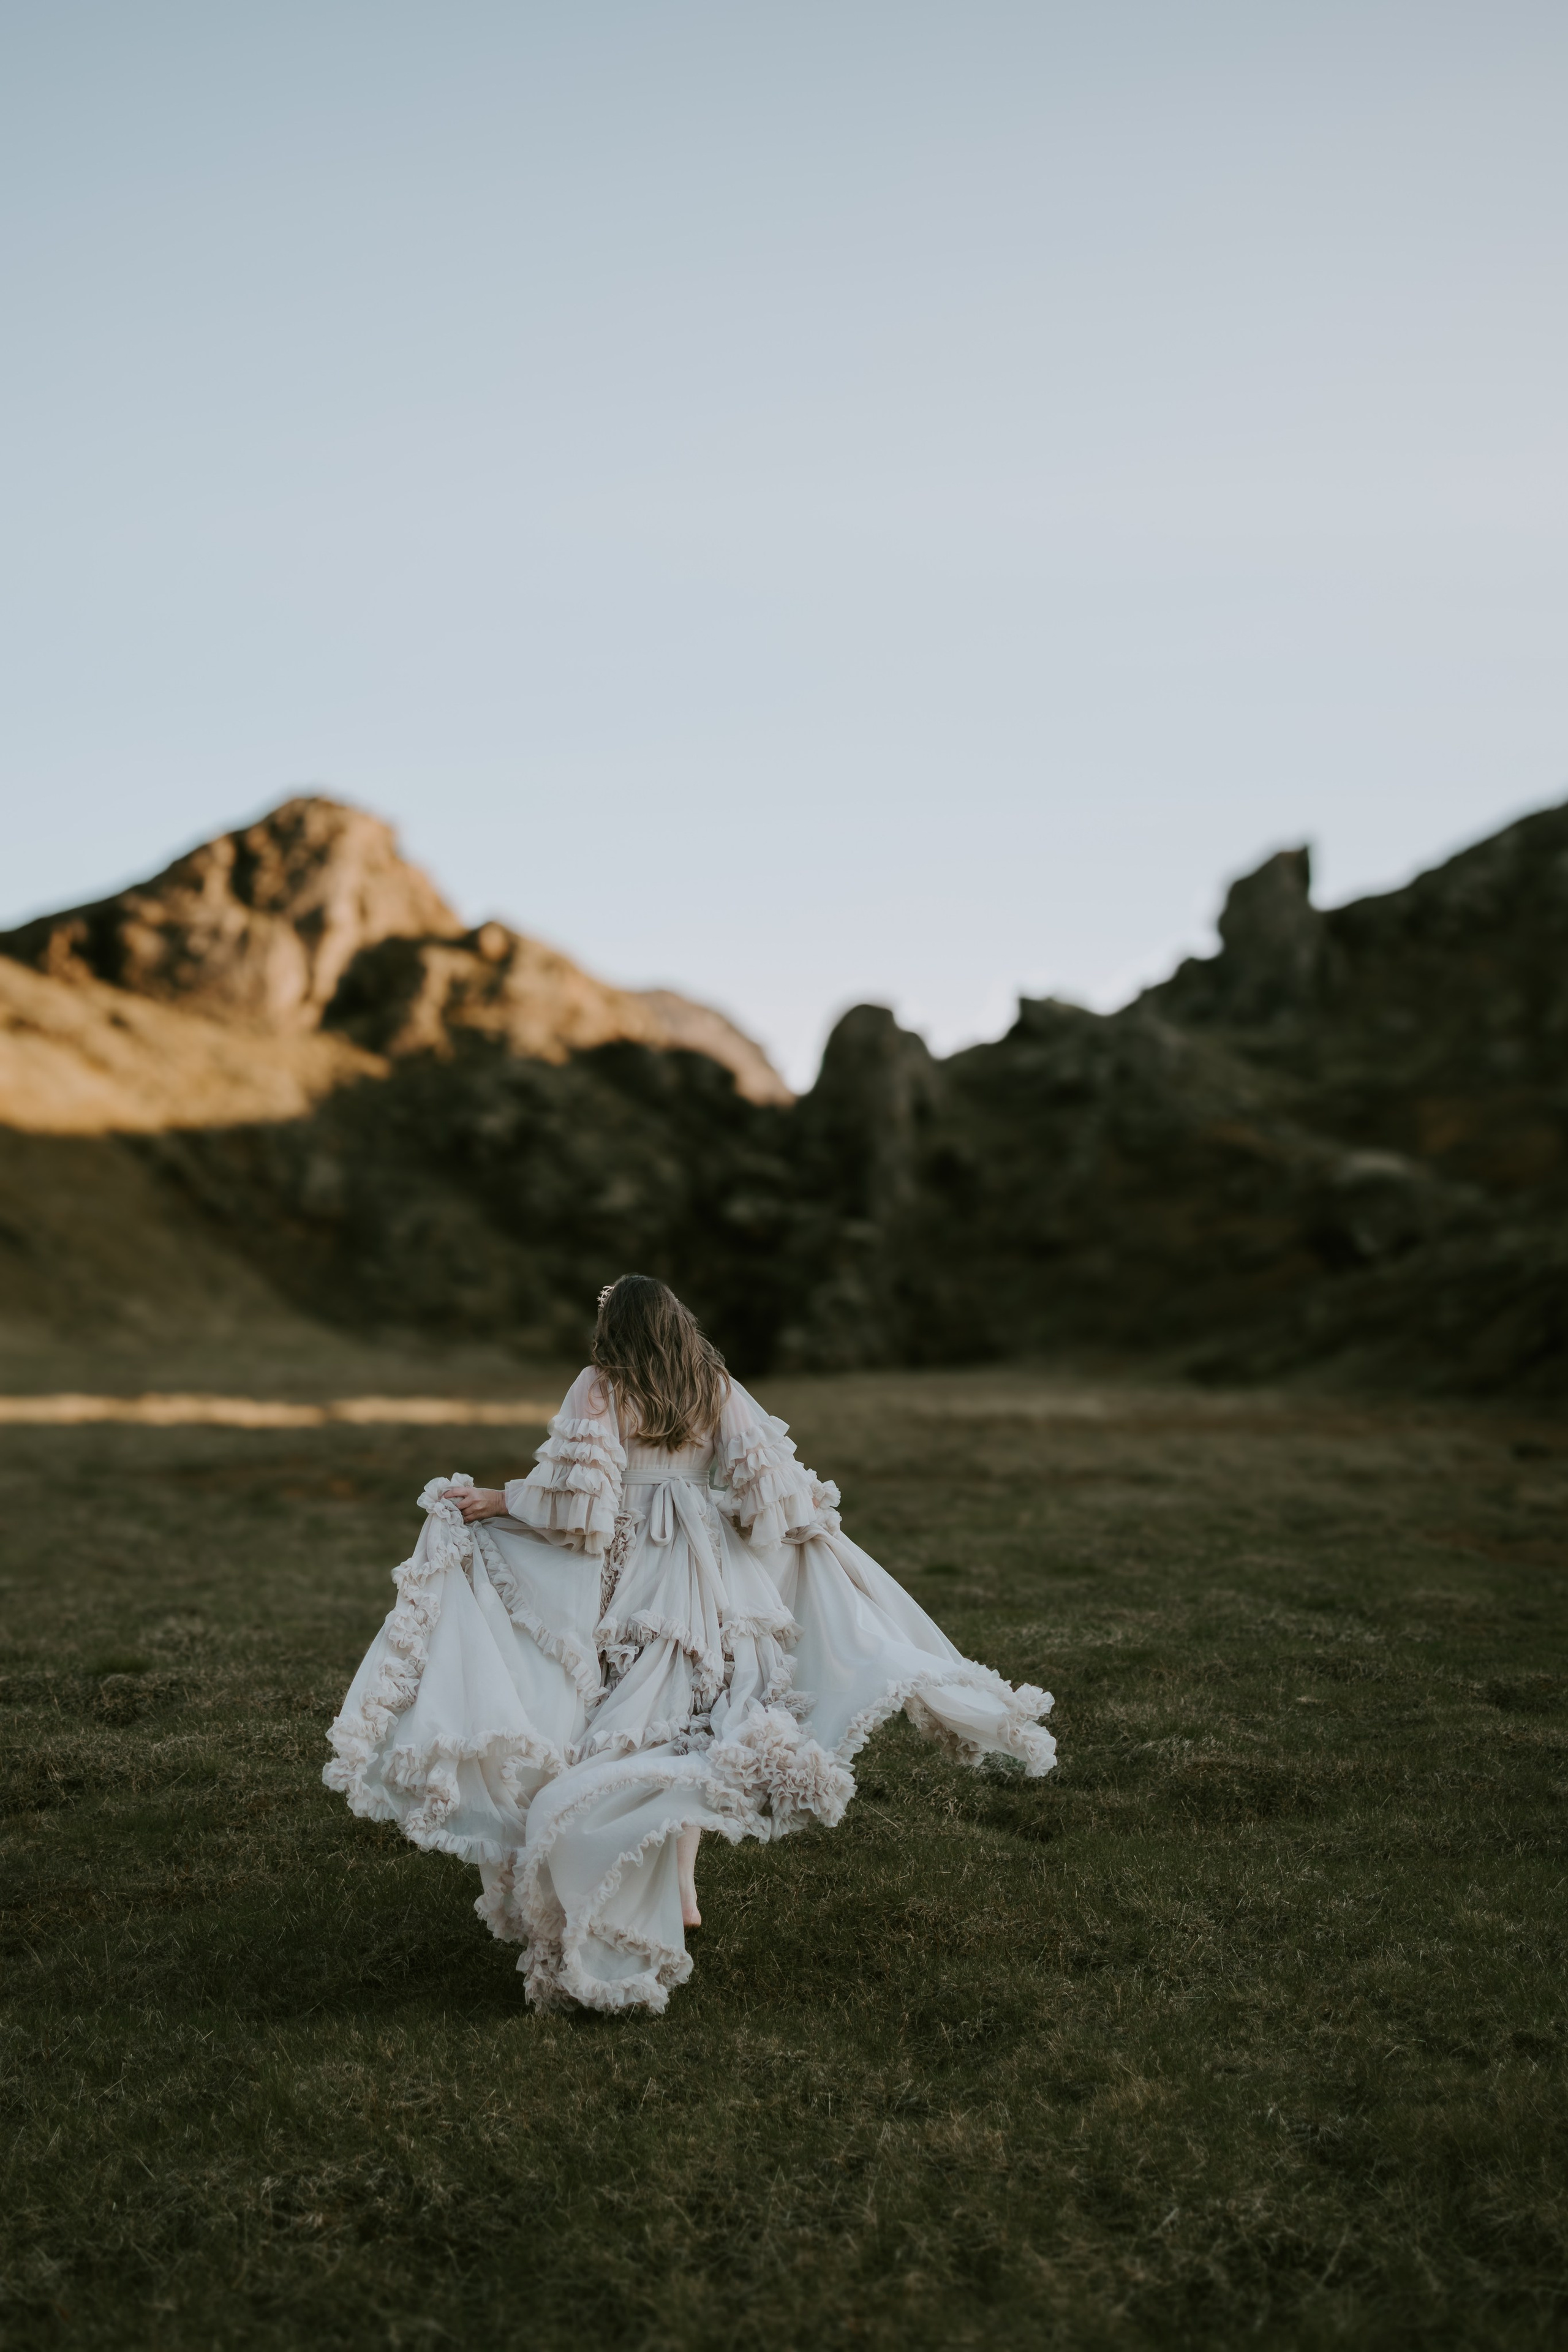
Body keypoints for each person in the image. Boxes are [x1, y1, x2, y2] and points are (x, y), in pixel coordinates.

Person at [324, 1274, 1055, 2014]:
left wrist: (500, 1499)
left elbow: (579, 1500)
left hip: (632, 1569)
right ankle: (680, 1883)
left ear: (616, 1329)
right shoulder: (714, 1384)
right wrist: (792, 1524)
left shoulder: (602, 1387)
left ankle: (632, 1873)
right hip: (708, 1567)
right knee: (691, 1720)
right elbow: (761, 1484)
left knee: (637, 1720)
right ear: (677, 1325)